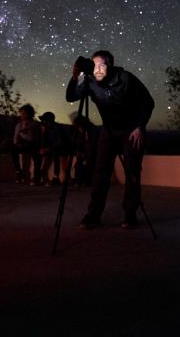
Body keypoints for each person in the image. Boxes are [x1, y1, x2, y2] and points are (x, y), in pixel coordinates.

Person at [66, 50, 154, 229]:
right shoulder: (89, 80)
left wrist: (140, 126)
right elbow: (71, 97)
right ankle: (93, 216)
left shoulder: (126, 78)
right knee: (100, 173)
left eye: (101, 65)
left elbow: (148, 102)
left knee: (132, 173)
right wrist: (76, 77)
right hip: (108, 131)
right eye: (94, 65)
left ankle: (130, 216)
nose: (97, 69)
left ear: (110, 65)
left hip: (130, 130)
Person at [10, 104, 41, 185]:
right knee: (13, 149)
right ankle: (18, 172)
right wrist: (17, 144)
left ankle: (36, 177)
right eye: (21, 113)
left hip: (32, 144)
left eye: (24, 113)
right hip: (22, 144)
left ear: (30, 114)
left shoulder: (35, 124)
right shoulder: (19, 125)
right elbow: (15, 137)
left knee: (36, 154)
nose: (22, 115)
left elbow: (37, 137)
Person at [39, 111, 69, 186]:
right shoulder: (47, 129)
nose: (42, 122)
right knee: (42, 153)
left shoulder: (57, 128)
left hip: (61, 149)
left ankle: (56, 177)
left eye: (44, 120)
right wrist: (43, 134)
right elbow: (44, 143)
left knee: (55, 152)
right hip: (52, 149)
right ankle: (43, 177)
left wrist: (48, 149)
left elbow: (60, 143)